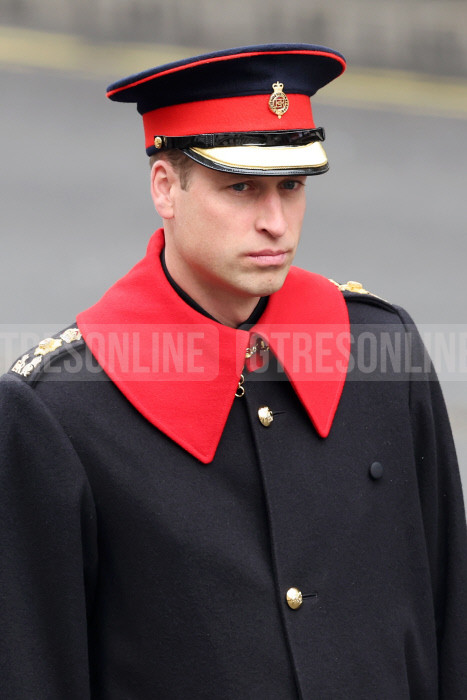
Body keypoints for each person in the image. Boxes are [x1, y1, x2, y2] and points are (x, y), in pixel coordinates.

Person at [1, 43, 466, 699]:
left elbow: (449, 623)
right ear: (165, 187)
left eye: (291, 186)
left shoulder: (381, 353)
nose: (274, 221)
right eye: (241, 187)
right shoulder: (60, 412)